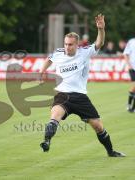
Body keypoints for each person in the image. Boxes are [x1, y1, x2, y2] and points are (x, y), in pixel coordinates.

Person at [39, 14, 125, 157]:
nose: (67, 47)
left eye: (70, 44)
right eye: (65, 44)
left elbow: (99, 43)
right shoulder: (59, 53)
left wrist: (101, 29)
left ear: (77, 44)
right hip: (62, 95)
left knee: (98, 126)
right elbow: (49, 59)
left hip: (80, 97)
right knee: (54, 116)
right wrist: (41, 72)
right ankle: (46, 141)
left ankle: (111, 152)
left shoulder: (84, 52)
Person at [123, 38, 135, 112]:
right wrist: (129, 65)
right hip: (133, 68)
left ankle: (131, 107)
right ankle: (130, 106)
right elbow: (125, 53)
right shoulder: (131, 41)